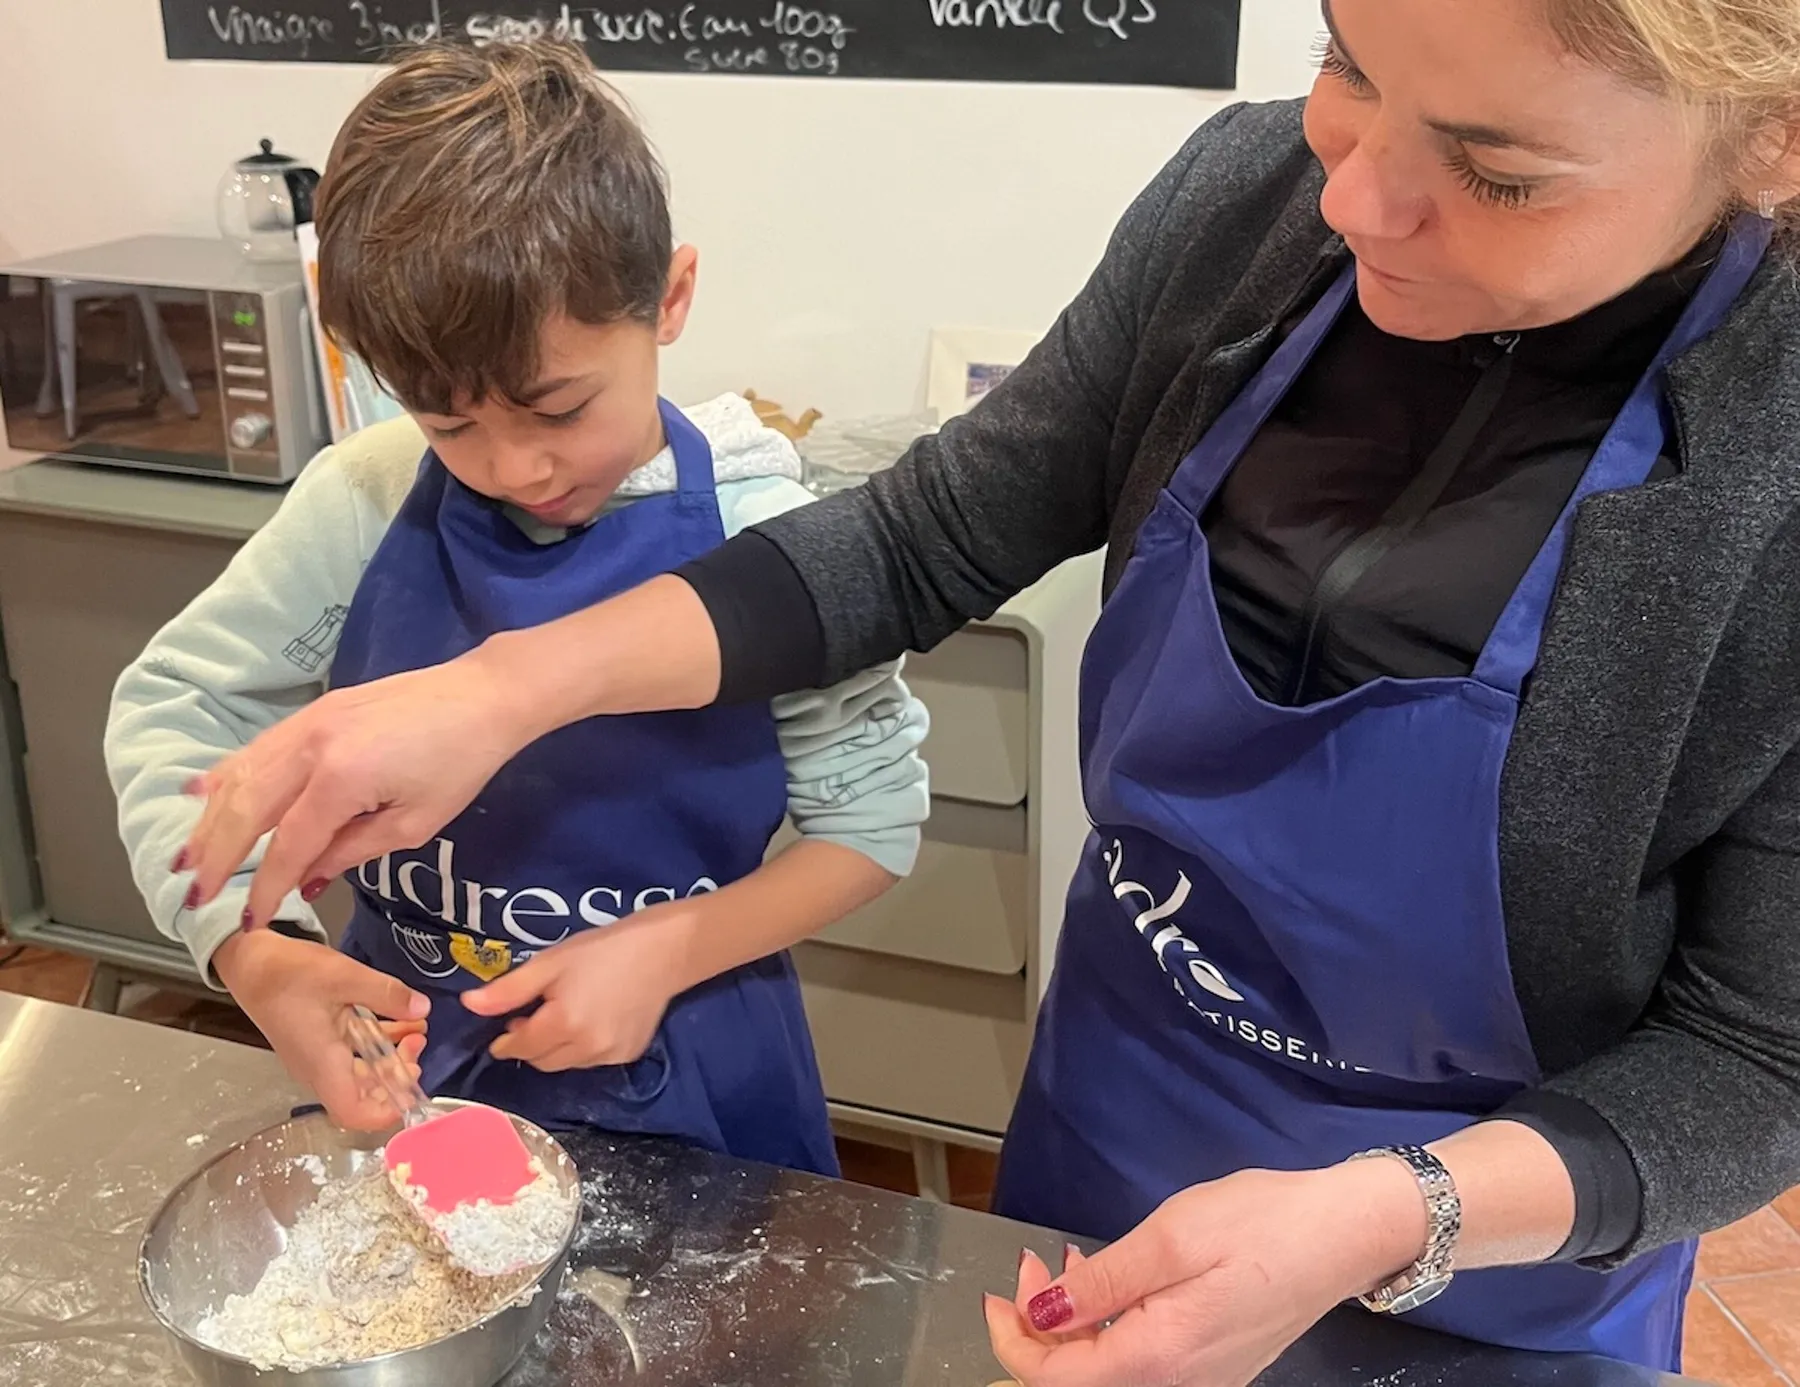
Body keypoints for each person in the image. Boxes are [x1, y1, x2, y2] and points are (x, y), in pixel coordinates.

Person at [169, 0, 1800, 1381]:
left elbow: (1759, 1057)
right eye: (1352, 64)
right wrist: (512, 685)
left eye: (1499, 172)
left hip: (1504, 1269)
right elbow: (924, 534)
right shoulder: (1243, 217)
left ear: (1769, 139)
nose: (1358, 198)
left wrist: (1385, 1212)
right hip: (1116, 1132)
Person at [104, 40, 930, 1179]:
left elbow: (869, 831)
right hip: (411, 1065)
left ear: (672, 297)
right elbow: (176, 709)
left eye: (559, 407)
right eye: (452, 424)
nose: (517, 469)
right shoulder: (369, 495)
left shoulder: (771, 542)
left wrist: (660, 949)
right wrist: (260, 955)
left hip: (691, 1060)